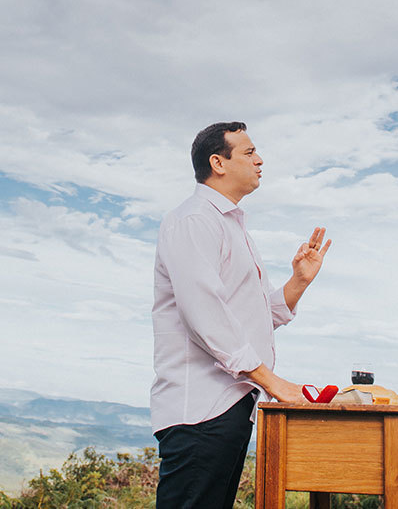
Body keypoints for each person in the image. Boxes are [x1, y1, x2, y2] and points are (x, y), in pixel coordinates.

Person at [151, 121, 332, 509]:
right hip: (200, 410)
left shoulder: (229, 225)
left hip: (229, 406)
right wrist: (273, 382)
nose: (260, 160)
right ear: (218, 162)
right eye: (249, 152)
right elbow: (204, 313)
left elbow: (254, 314)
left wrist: (299, 281)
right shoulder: (194, 220)